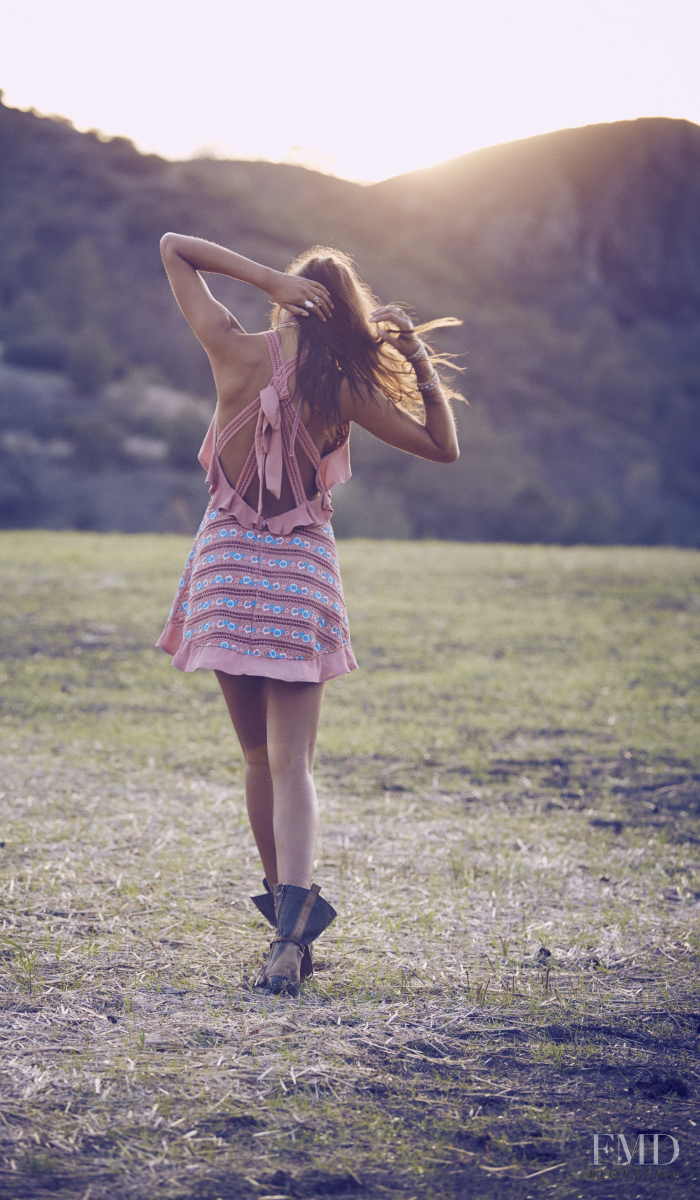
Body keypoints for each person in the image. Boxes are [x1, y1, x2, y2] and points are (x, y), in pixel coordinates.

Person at [156, 234, 461, 996]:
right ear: (346, 316)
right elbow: (441, 446)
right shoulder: (346, 389)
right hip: (298, 574)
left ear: (289, 302)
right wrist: (414, 355)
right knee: (293, 764)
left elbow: (173, 248)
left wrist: (267, 278)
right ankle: (292, 933)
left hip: (227, 567)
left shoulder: (231, 345)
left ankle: (285, 929)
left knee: (257, 760)